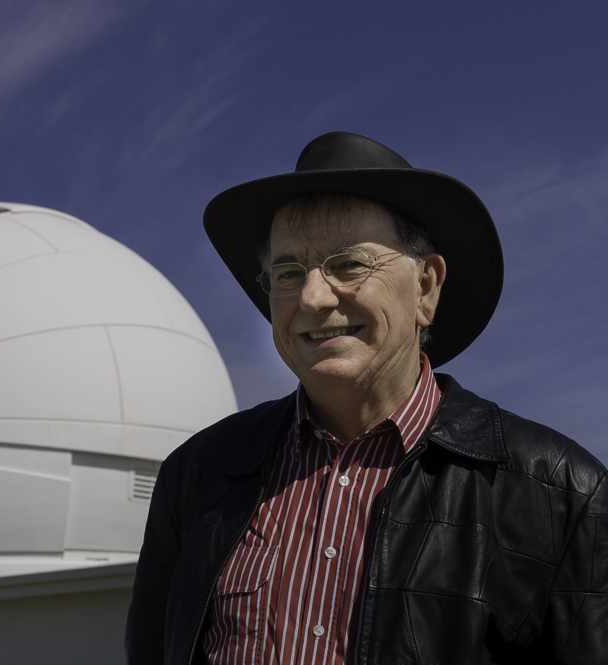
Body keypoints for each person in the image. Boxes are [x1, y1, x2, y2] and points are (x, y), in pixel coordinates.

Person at [124, 132, 607, 664]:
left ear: (426, 287)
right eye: (288, 273)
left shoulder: (562, 495)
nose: (312, 296)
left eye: (349, 265)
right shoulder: (196, 476)